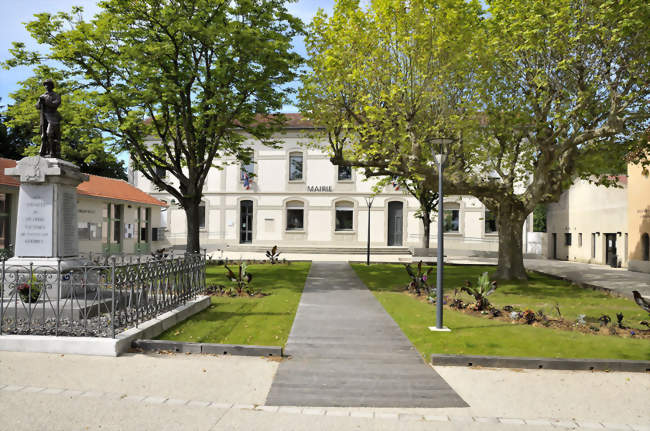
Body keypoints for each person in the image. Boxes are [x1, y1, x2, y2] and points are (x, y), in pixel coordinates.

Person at [36, 79, 62, 158]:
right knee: (43, 136)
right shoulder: (42, 96)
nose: (46, 86)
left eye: (48, 85)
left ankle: (52, 151)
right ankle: (44, 151)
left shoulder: (55, 95)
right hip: (43, 117)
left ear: (51, 86)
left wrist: (46, 102)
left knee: (49, 133)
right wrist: (40, 102)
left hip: (52, 117)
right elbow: (37, 106)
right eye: (45, 85)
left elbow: (55, 104)